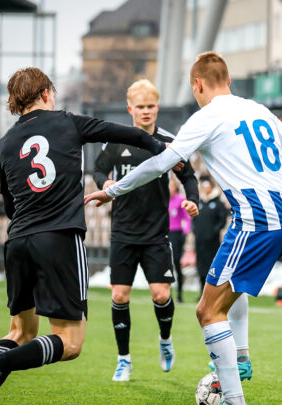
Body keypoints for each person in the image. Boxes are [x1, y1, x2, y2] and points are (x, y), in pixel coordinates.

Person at [84, 52, 282, 405]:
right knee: (230, 288)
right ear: (229, 80)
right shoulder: (257, 110)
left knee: (207, 311)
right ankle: (239, 358)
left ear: (198, 85)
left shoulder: (205, 118)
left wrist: (112, 190)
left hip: (258, 223)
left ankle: (233, 398)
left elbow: (161, 163)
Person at [0, 67, 168, 404]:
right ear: (46, 93)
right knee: (70, 343)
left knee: (20, 331)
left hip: (17, 241)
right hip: (59, 237)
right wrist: (157, 145)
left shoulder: (5, 144)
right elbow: (125, 133)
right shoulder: (66, 121)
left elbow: (9, 204)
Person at [92, 79, 199, 381]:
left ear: (158, 107)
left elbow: (188, 175)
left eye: (151, 106)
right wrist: (104, 183)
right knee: (121, 295)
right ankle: (123, 359)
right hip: (123, 231)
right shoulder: (116, 141)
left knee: (161, 294)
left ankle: (165, 341)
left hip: (156, 234)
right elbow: (98, 169)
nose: (146, 111)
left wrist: (192, 200)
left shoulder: (168, 141)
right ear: (130, 109)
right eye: (140, 107)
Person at [193, 176, 229, 295]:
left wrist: (214, 231)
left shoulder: (218, 203)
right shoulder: (200, 202)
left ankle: (211, 293)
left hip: (212, 241)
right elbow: (194, 219)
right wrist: (196, 231)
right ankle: (201, 292)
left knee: (211, 266)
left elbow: (222, 219)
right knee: (200, 265)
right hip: (200, 240)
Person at [169, 178, 194, 303]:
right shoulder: (163, 199)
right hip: (165, 234)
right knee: (166, 265)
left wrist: (185, 233)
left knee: (177, 264)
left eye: (171, 185)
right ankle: (167, 295)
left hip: (176, 234)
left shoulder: (180, 200)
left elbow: (187, 218)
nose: (169, 188)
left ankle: (179, 294)